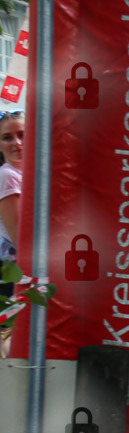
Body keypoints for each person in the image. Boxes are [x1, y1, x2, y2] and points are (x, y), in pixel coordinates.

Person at [0, 110, 24, 359]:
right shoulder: (8, 176)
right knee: (9, 344)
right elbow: (19, 236)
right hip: (14, 271)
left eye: (22, 135)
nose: (16, 143)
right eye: (7, 137)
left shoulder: (29, 174)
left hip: (20, 271)